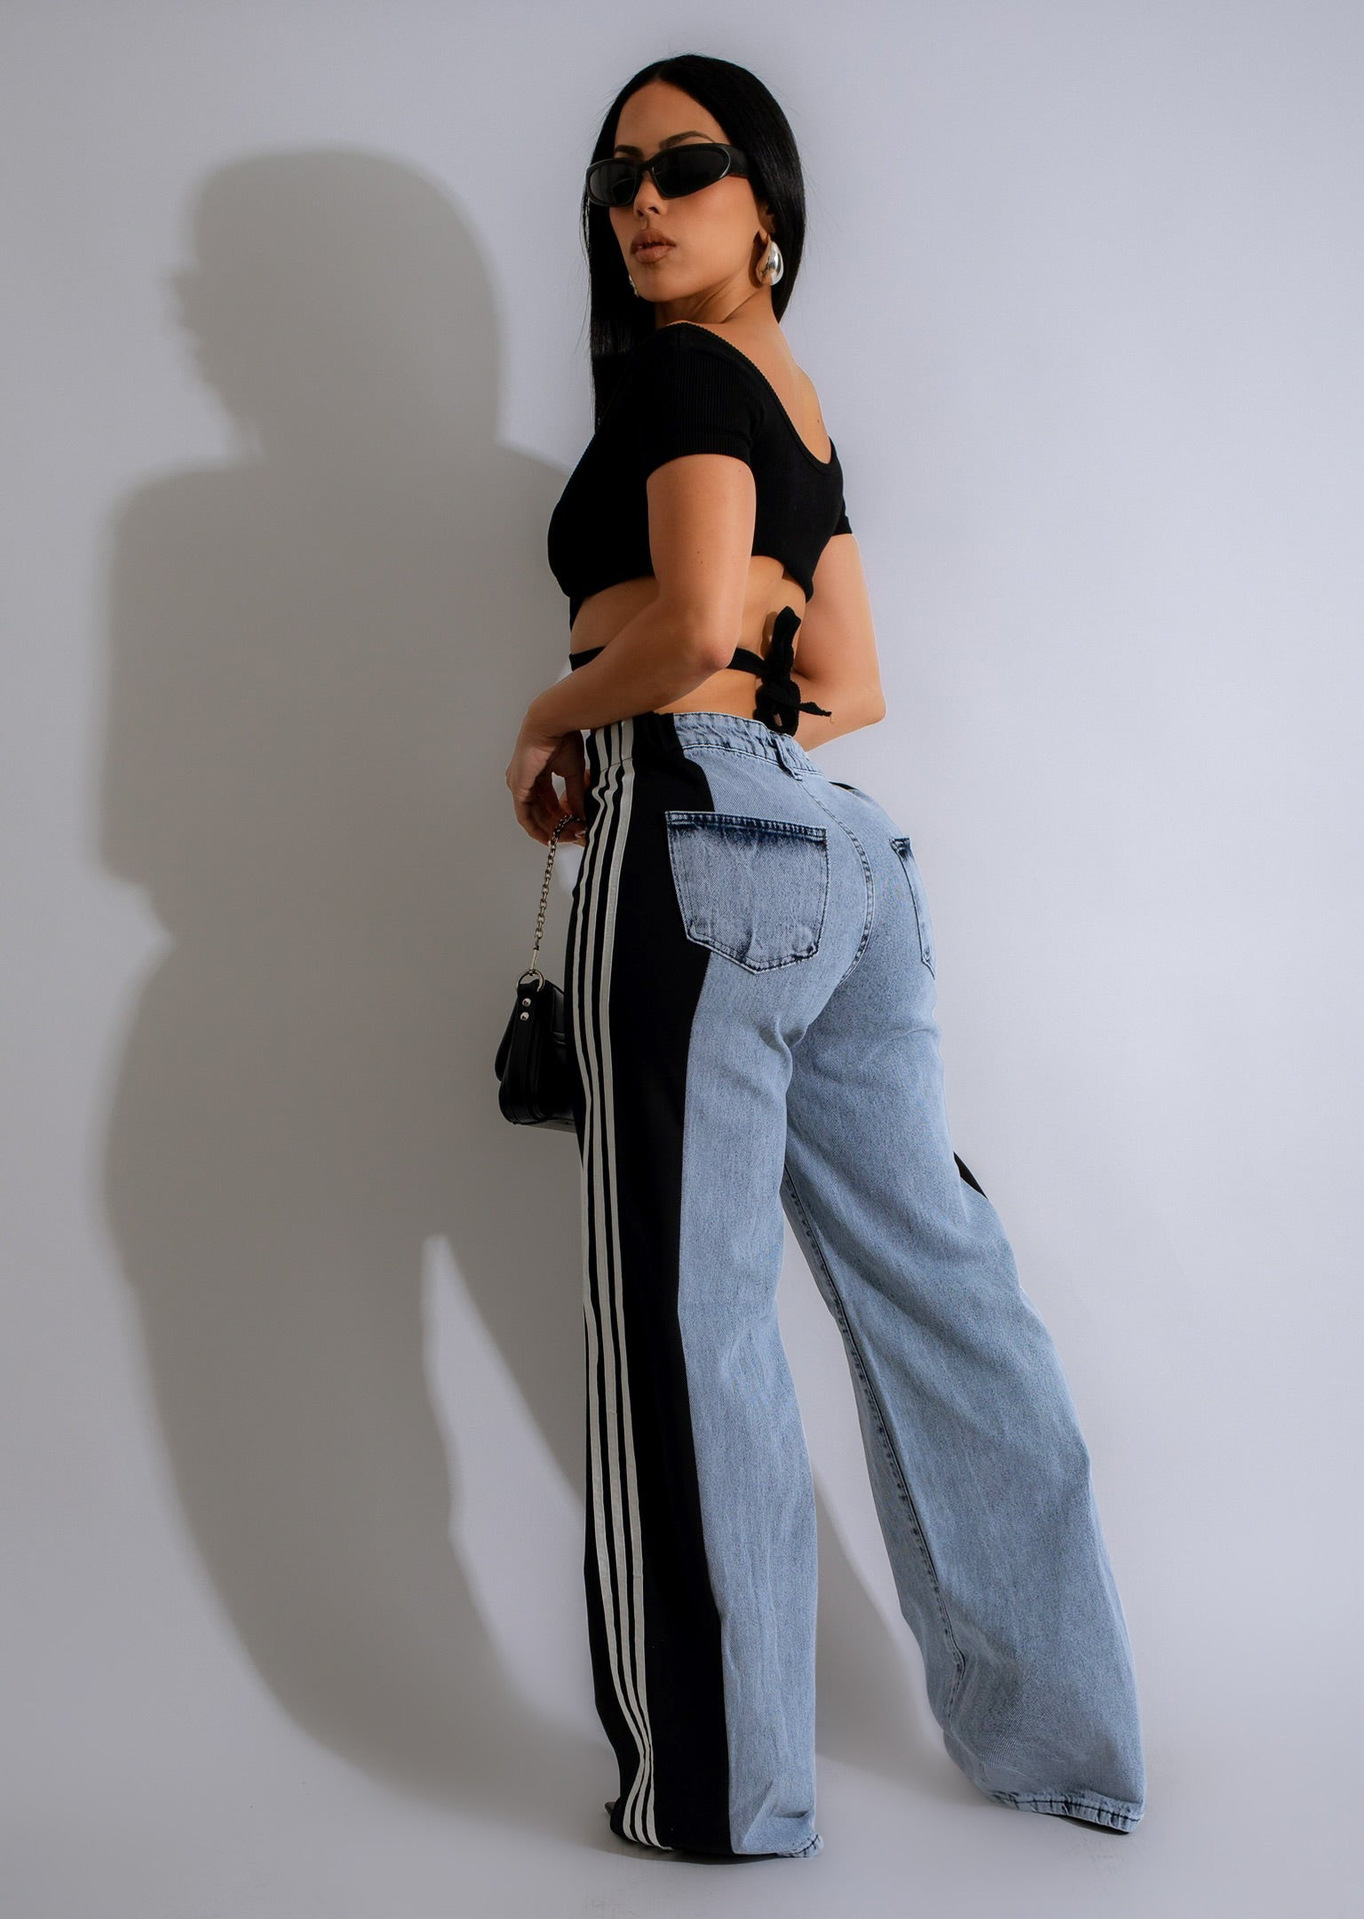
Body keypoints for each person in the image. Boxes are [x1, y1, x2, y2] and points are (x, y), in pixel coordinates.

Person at [504, 52, 1146, 1862]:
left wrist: (551, 715)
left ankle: (723, 1801)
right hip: (835, 850)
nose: (642, 202)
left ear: (768, 205)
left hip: (694, 835)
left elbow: (692, 623)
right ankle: (1070, 1743)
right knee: (944, 1294)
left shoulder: (685, 373)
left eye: (687, 167)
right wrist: (732, 688)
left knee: (684, 1318)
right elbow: (846, 682)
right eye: (617, 177)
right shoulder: (793, 401)